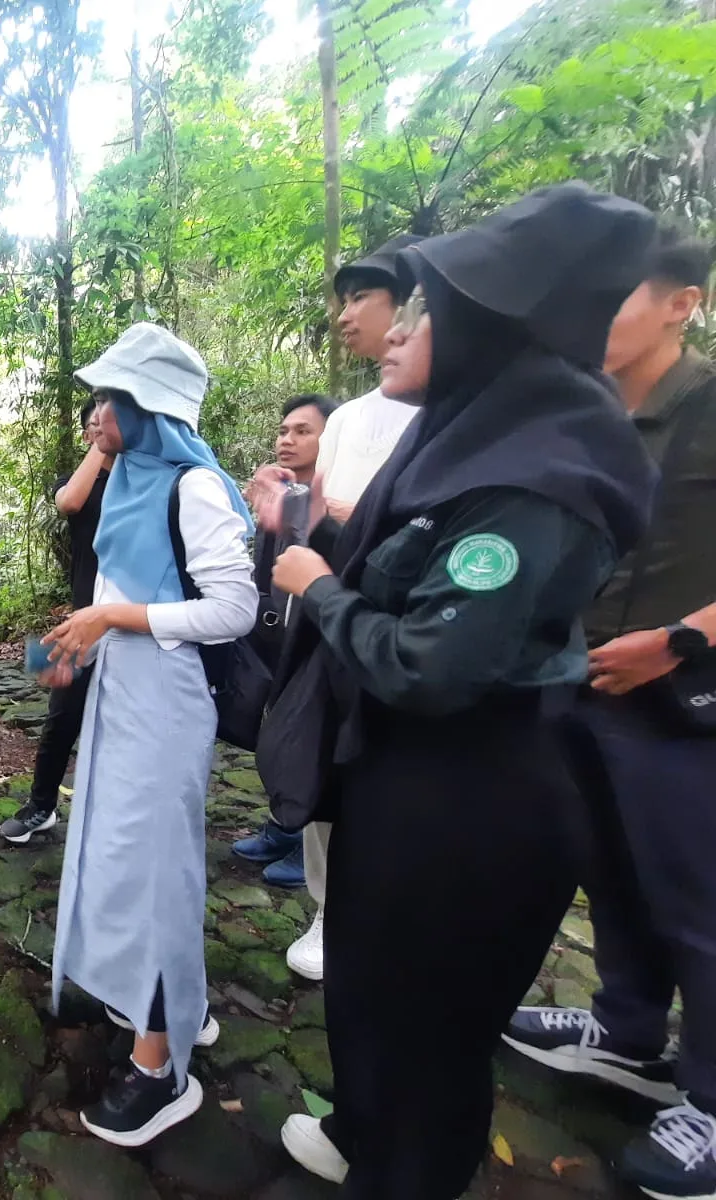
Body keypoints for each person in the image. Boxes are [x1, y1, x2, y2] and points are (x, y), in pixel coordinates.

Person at [258, 183, 657, 1197]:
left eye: (432, 309)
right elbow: (413, 567)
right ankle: (361, 1132)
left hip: (475, 795)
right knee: (366, 984)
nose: (405, 328)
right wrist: (318, 539)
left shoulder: (536, 478)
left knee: (429, 1039)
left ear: (489, 329)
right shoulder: (469, 439)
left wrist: (316, 586)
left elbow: (433, 664)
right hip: (406, 781)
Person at [502, 225, 716, 1200]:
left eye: (618, 297)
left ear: (682, 303)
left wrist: (683, 640)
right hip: (582, 690)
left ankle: (708, 1105)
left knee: (699, 902)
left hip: (685, 700)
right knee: (613, 871)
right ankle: (628, 1032)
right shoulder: (586, 416)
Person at [42, 323, 258, 1147]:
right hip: (123, 692)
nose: (97, 411)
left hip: (168, 701)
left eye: (109, 398)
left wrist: (112, 618)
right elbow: (117, 589)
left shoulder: (192, 487)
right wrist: (83, 641)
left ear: (146, 408)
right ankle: (167, 1001)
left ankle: (162, 1067)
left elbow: (232, 609)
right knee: (120, 854)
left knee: (158, 867)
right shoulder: (130, 478)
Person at [253, 233, 423, 983]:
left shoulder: (450, 417)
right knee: (323, 754)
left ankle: (390, 916)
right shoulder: (352, 418)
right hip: (324, 618)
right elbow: (319, 522)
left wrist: (345, 525)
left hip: (400, 631)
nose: (346, 316)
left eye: (363, 297)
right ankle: (327, 909)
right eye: (344, 299)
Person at [232, 392, 336, 889]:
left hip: (323, 637)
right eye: (283, 430)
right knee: (277, 733)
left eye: (303, 431)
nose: (287, 440)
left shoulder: (344, 497)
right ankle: (282, 826)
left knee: (310, 738)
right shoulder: (283, 492)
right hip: (278, 634)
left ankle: (305, 836)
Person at [0, 399, 110, 844]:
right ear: (85, 435)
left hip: (134, 620)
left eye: (111, 419)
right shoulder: (77, 479)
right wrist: (101, 442)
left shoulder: (143, 477)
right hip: (82, 617)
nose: (102, 428)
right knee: (60, 717)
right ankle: (41, 806)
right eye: (93, 424)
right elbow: (69, 503)